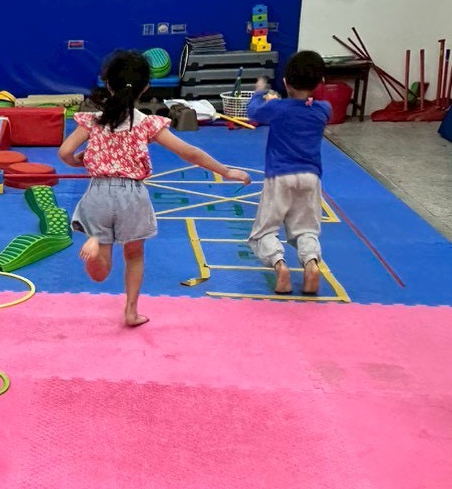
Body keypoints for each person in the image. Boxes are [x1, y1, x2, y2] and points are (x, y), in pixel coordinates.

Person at [59, 50, 251, 327]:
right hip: (132, 196)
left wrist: (78, 161)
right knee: (134, 255)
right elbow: (190, 152)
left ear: (108, 84)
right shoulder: (147, 123)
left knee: (100, 273)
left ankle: (96, 244)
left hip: (98, 193)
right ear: (146, 87)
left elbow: (65, 152)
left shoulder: (93, 120)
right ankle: (131, 311)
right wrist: (226, 171)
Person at [245, 51, 333, 295]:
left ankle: (280, 266)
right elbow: (311, 103)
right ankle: (311, 265)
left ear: (285, 82)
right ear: (319, 83)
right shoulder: (323, 110)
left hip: (280, 176)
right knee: (306, 229)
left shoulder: (278, 108)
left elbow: (253, 112)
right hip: (310, 177)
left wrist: (260, 93)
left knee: (264, 231)